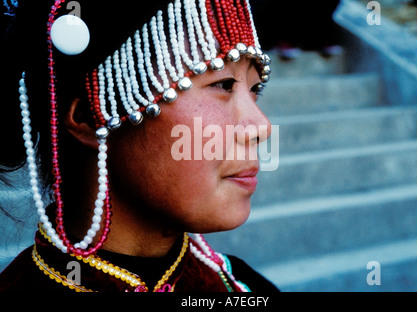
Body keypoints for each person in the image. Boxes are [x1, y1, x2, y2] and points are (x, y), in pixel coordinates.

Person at [0, 0, 277, 292]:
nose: (261, 127)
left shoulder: (241, 287)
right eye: (222, 84)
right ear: (91, 118)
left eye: (255, 88)